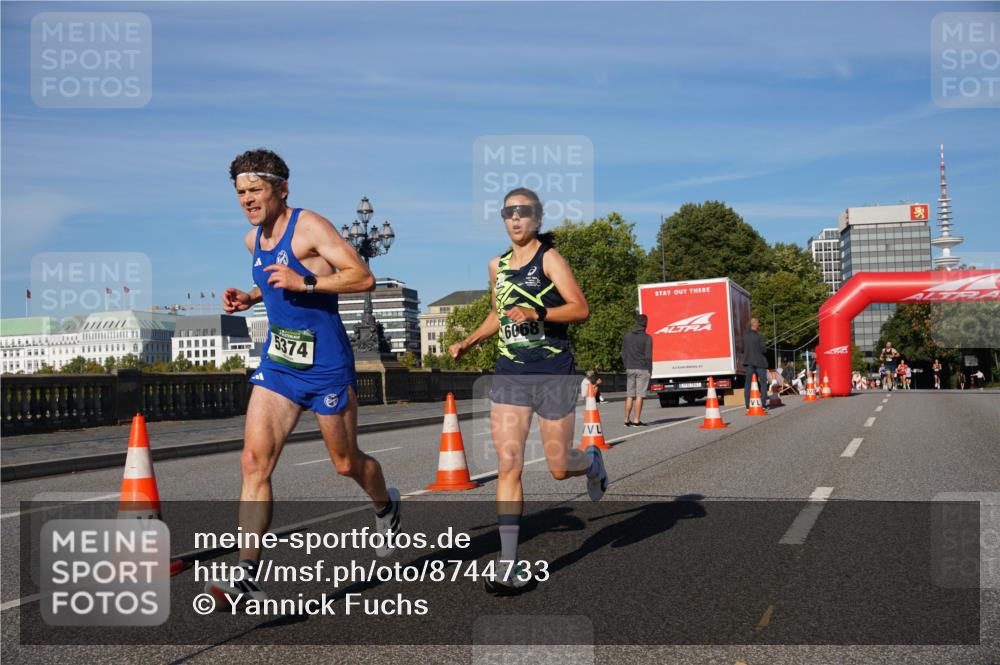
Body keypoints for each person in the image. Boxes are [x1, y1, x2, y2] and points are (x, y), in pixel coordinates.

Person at [209, 149, 400, 606]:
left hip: (327, 366)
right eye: (240, 193)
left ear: (281, 188)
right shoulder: (253, 240)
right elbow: (277, 281)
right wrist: (252, 296)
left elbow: (362, 276)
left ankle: (385, 504)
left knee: (345, 463)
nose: (248, 200)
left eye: (255, 190)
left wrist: (305, 284)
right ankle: (247, 572)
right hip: (278, 365)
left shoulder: (310, 226)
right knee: (254, 463)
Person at [449, 187, 607, 595]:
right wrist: (470, 340)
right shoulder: (496, 265)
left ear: (537, 218)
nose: (515, 219)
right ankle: (508, 565)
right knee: (509, 464)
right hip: (511, 373)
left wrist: (538, 311)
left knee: (558, 467)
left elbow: (580, 308)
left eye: (523, 212)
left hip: (553, 370)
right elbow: (499, 314)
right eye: (508, 212)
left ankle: (590, 462)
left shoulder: (549, 259)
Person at [621, 313, 653, 426]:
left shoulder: (627, 336)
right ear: (645, 324)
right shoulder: (647, 338)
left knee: (630, 395)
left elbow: (623, 353)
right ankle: (636, 420)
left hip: (630, 367)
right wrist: (650, 370)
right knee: (639, 395)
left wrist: (626, 365)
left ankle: (626, 419)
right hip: (643, 369)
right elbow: (648, 356)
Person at [741, 317, 770, 411]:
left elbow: (742, 350)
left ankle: (748, 405)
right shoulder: (759, 336)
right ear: (756, 325)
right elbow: (763, 350)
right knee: (763, 383)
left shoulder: (744, 336)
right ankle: (763, 404)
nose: (759, 325)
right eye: (758, 323)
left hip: (748, 362)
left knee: (748, 384)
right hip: (759, 362)